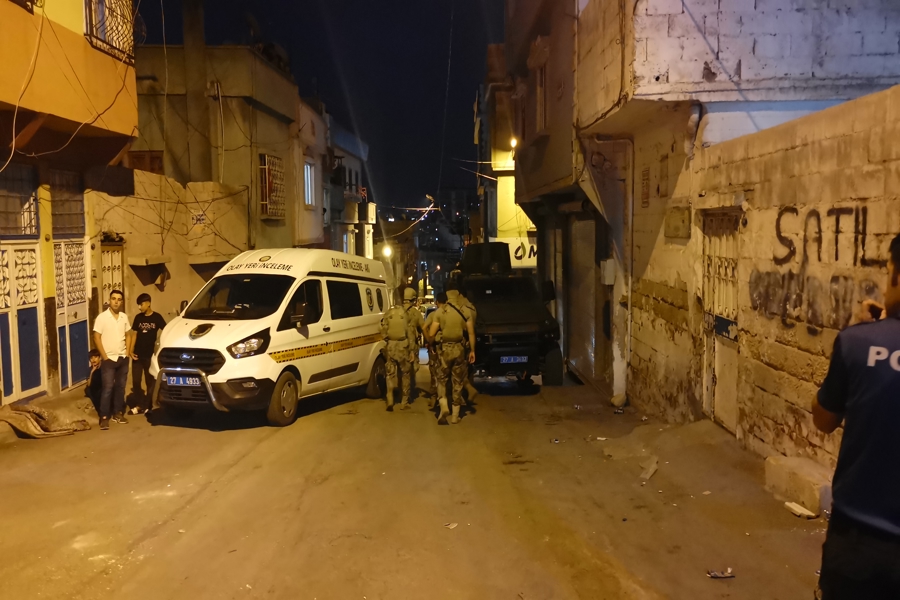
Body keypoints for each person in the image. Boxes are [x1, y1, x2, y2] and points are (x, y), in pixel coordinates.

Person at [813, 233, 900, 599]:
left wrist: (864, 329)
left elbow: (824, 420)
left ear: (895, 275)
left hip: (856, 546)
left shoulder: (856, 342)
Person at [427, 280, 476, 425]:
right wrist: (472, 351)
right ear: (458, 294)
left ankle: (443, 406)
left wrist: (431, 343)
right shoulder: (465, 311)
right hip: (459, 349)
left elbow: (431, 334)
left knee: (441, 379)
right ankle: (455, 415)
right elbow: (471, 333)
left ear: (447, 295)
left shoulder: (440, 312)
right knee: (457, 381)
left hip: (445, 350)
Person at [93, 290, 134, 430]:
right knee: (108, 388)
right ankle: (104, 416)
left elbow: (128, 335)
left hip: (122, 358)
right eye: (114, 299)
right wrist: (104, 356)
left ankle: (118, 413)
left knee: (120, 387)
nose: (116, 301)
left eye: (119, 299)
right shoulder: (102, 318)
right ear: (109, 300)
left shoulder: (124, 317)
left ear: (122, 302)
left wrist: (127, 353)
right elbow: (96, 337)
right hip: (109, 359)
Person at [380, 288, 417, 411]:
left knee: (390, 373)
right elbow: (410, 333)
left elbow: (383, 330)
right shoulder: (406, 314)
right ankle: (404, 401)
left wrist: (388, 340)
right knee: (405, 373)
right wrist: (412, 350)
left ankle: (390, 398)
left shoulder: (388, 313)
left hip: (391, 346)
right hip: (403, 346)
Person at [446, 270, 479, 402]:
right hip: (467, 343)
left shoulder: (458, 308)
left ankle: (460, 398)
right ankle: (465, 396)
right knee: (465, 371)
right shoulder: (471, 308)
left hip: (458, 342)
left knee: (454, 373)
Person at [131, 293, 166, 414]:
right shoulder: (138, 318)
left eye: (141, 304)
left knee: (149, 382)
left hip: (150, 356)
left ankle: (147, 405)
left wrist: (159, 345)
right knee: (136, 381)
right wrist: (131, 350)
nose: (139, 307)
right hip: (137, 355)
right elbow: (134, 334)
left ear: (148, 303)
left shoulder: (157, 317)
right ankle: (139, 404)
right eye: (138, 305)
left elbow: (166, 330)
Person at [423, 293, 448, 409]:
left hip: (435, 346)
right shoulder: (449, 314)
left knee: (434, 373)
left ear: (437, 302)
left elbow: (424, 327)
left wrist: (429, 341)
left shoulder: (433, 314)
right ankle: (446, 397)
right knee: (446, 373)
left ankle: (433, 397)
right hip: (447, 347)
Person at [403, 286, 425, 397]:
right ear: (413, 299)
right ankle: (408, 393)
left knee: (401, 369)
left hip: (399, 345)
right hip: (412, 346)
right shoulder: (416, 313)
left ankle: (397, 391)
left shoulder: (397, 311)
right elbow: (423, 327)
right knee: (411, 369)